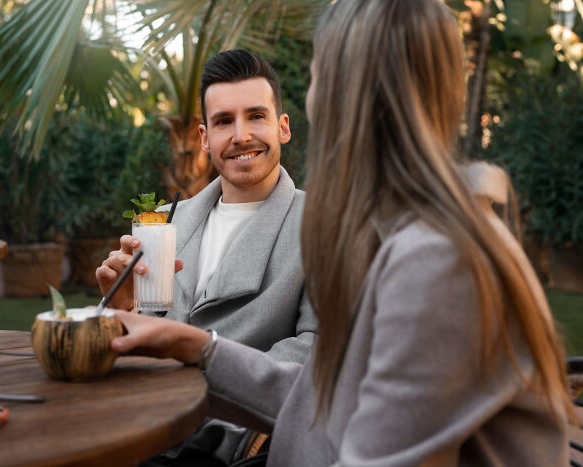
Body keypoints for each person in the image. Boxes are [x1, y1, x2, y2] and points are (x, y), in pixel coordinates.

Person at [106, 0, 574, 465]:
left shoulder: (435, 262)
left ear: (344, 96)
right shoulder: (410, 233)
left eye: (316, 77)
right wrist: (196, 348)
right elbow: (326, 401)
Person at [96, 50, 316, 464]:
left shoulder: (323, 225)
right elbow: (124, 346)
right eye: (223, 121)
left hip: (229, 441)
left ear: (282, 127)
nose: (240, 135)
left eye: (256, 116)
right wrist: (116, 306)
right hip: (138, 428)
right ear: (203, 138)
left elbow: (315, 349)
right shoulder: (161, 223)